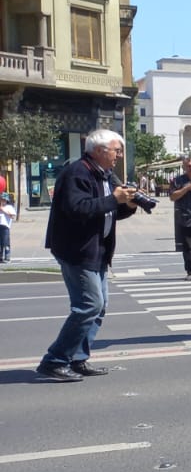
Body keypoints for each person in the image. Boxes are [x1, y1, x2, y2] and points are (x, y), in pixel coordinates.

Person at [36, 129, 138, 382]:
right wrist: (114, 199)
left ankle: (77, 358)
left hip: (98, 250)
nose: (119, 155)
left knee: (99, 307)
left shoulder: (103, 174)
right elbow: (78, 209)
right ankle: (55, 361)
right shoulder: (77, 173)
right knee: (89, 305)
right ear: (100, 150)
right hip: (77, 250)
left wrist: (128, 206)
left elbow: (106, 212)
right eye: (116, 150)